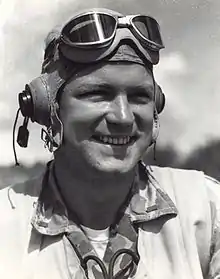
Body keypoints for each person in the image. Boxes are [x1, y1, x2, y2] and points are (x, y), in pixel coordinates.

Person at [0, 7, 220, 279]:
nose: (123, 117)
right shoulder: (5, 226)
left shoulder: (207, 209)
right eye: (97, 94)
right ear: (48, 109)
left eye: (139, 96)